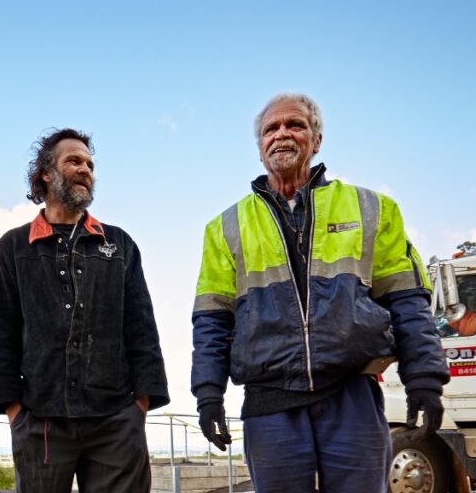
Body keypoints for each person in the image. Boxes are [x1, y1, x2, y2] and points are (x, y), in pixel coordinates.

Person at [191, 94, 450, 492]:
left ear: (317, 139)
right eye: (270, 129)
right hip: (269, 403)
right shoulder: (225, 227)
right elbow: (212, 320)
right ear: (260, 148)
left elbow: (407, 302)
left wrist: (424, 379)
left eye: (294, 125)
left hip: (353, 396)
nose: (282, 134)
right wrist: (209, 394)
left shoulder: (371, 209)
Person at [0, 128, 169, 493]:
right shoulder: (13, 247)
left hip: (116, 420)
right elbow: (2, 332)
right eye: (73, 160)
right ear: (46, 173)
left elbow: (141, 328)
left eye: (89, 163)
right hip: (40, 420)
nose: (85, 169)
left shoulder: (118, 245)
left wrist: (140, 407)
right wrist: (15, 412)